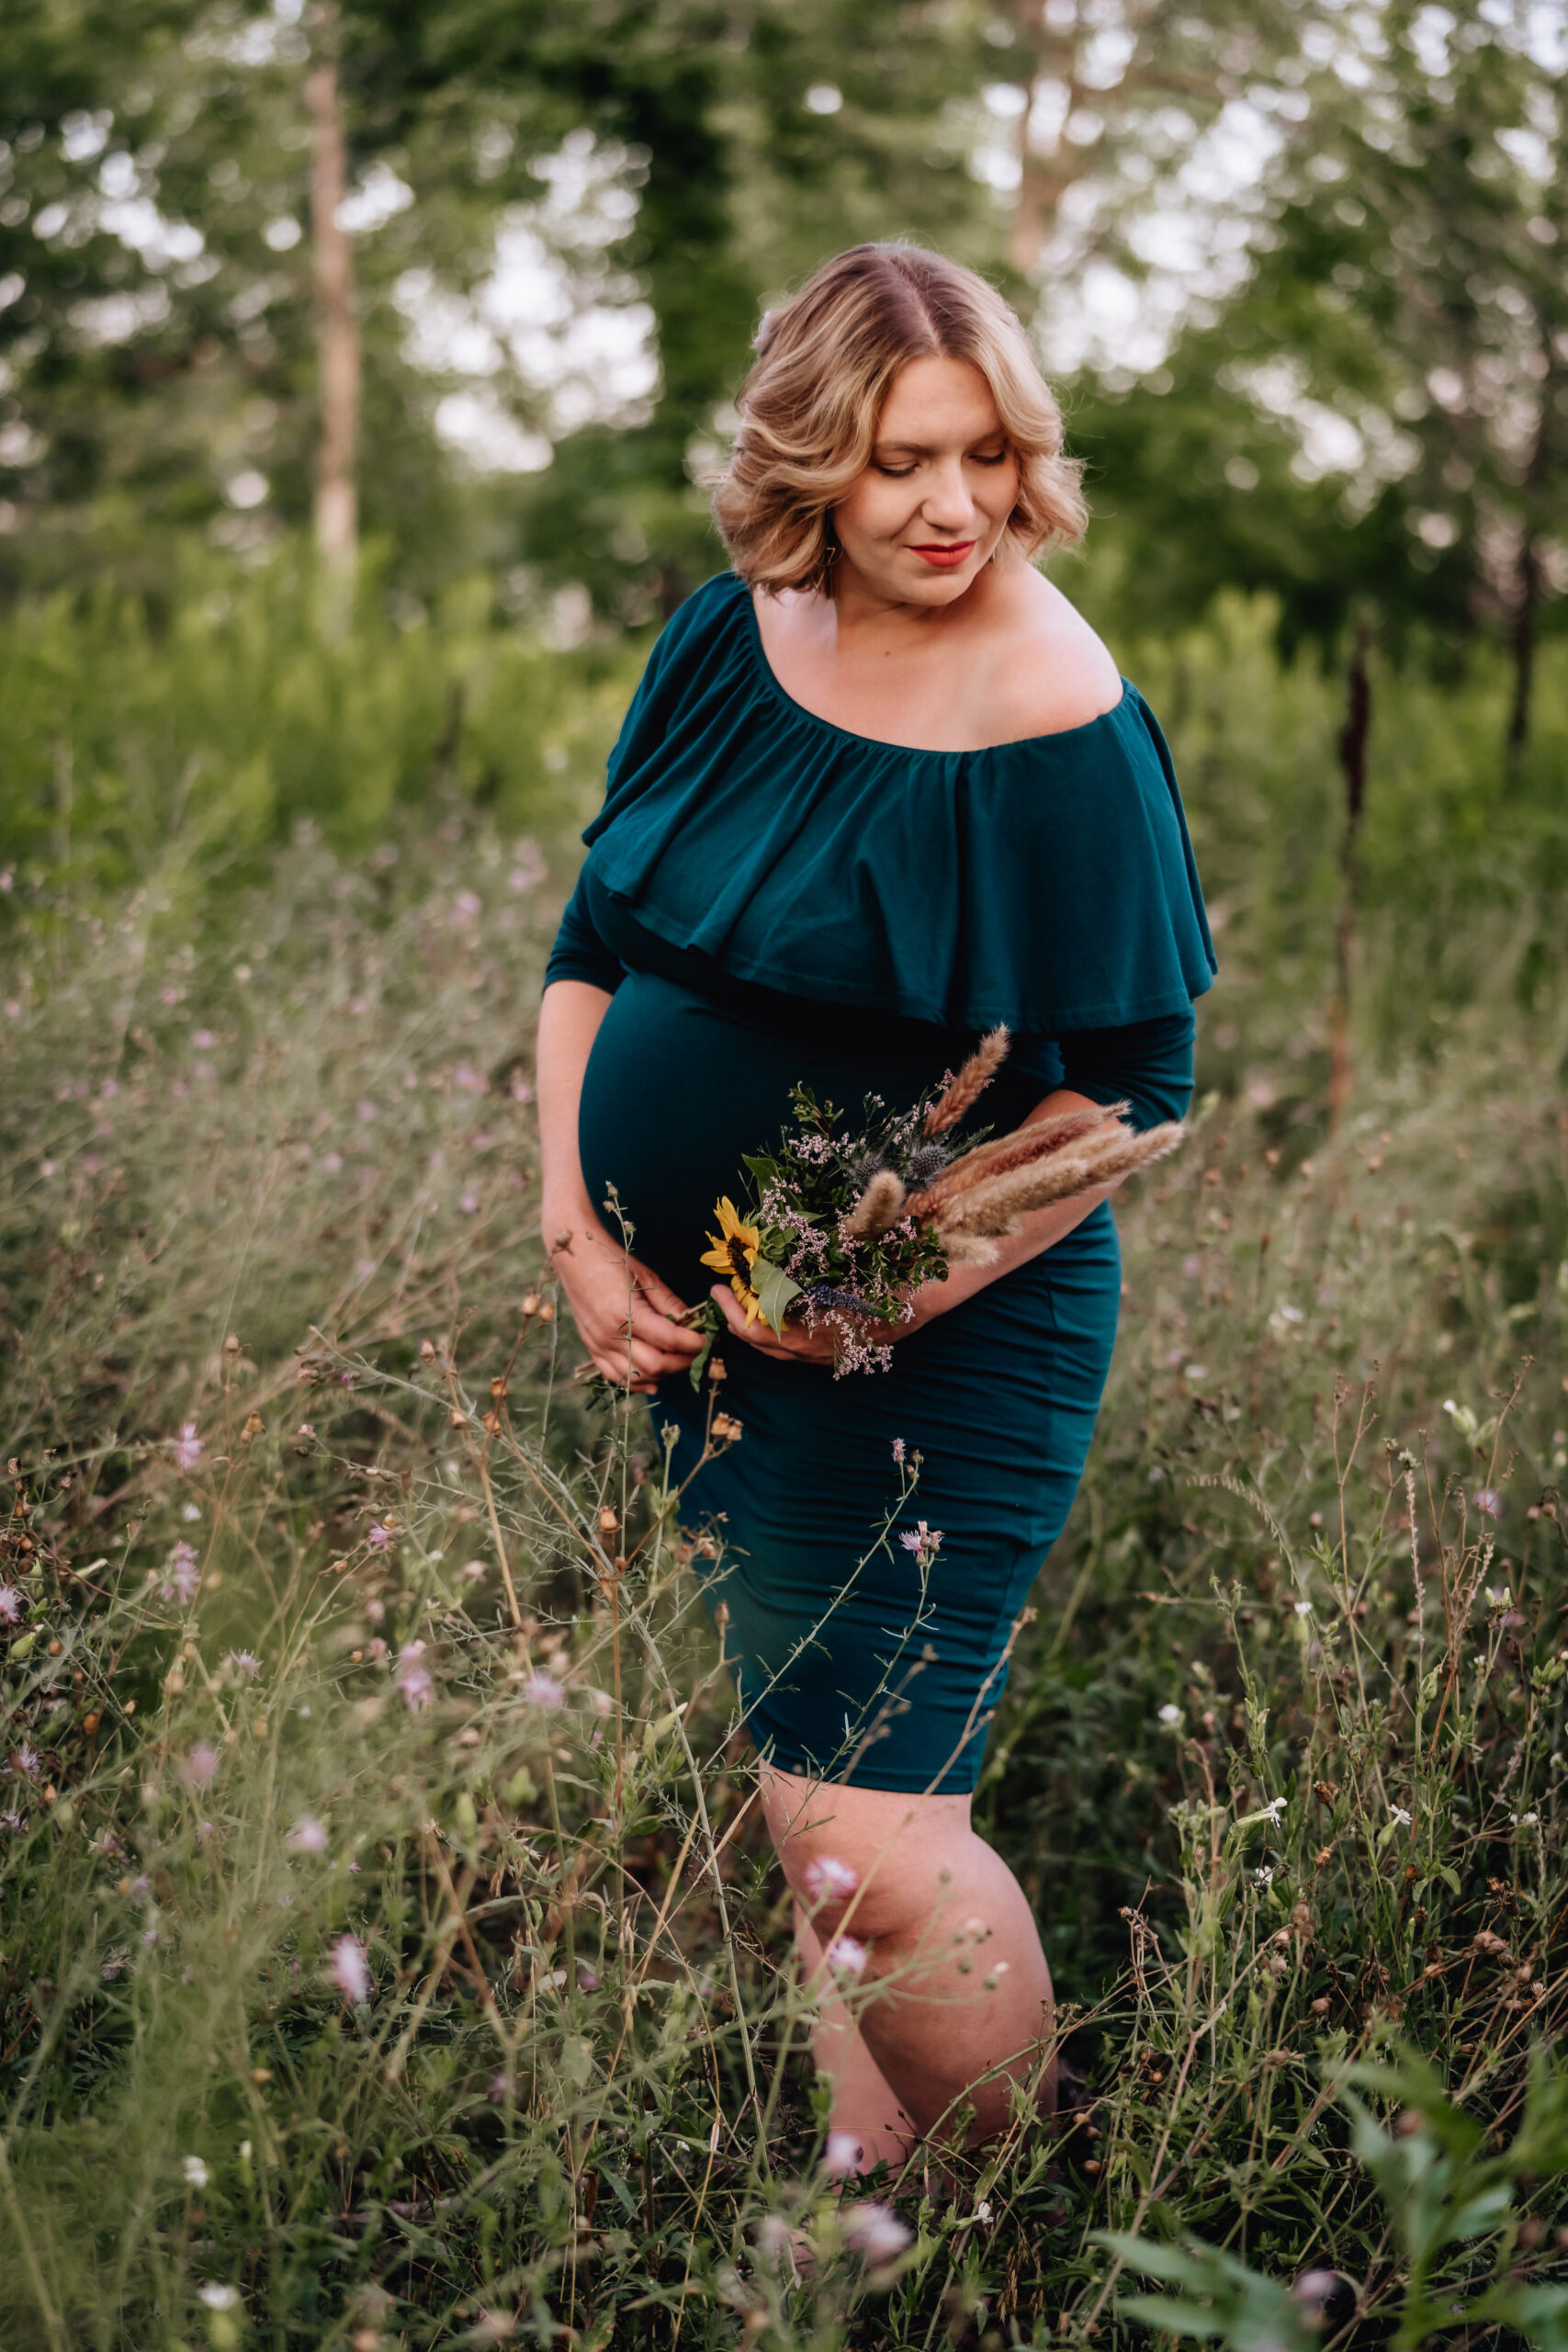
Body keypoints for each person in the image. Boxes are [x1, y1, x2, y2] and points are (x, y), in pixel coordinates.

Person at [536, 243, 1214, 2172]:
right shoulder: (727, 633)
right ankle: (873, 2198)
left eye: (986, 455)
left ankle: (1035, 2220)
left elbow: (1132, 1092)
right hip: (712, 1329)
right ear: (806, 460)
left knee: (874, 1838)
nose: (951, 506)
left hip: (942, 1340)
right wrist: (581, 1233)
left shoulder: (1059, 710)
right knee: (812, 1804)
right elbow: (591, 950)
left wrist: (862, 1290)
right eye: (901, 459)